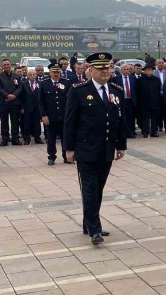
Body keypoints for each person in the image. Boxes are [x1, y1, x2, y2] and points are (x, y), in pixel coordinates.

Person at [64, 52, 127, 245]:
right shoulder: (78, 90)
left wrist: (121, 145)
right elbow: (70, 121)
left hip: (106, 149)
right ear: (90, 70)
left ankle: (88, 222)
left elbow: (120, 120)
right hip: (85, 149)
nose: (106, 71)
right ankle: (95, 229)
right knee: (90, 189)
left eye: (108, 67)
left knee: (98, 189)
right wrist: (68, 149)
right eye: (101, 68)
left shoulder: (116, 90)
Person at [38, 64, 71, 165]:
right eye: (54, 72)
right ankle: (51, 156)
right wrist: (43, 115)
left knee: (65, 137)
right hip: (50, 116)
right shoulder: (44, 84)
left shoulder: (66, 82)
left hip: (64, 115)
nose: (56, 74)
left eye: (58, 72)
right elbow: (41, 101)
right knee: (51, 138)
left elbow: (70, 100)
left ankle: (66, 156)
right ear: (50, 73)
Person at [0, 59, 23, 146]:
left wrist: (14, 95)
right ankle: (5, 139)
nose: (6, 66)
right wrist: (7, 96)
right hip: (3, 102)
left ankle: (15, 138)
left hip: (15, 102)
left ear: (11, 65)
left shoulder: (16, 76)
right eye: (4, 65)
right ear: (2, 66)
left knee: (15, 121)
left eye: (8, 64)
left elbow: (20, 87)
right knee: (4, 122)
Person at [112, 64, 137, 138]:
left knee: (130, 117)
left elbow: (135, 89)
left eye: (127, 69)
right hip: (122, 100)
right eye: (124, 69)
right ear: (121, 70)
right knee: (122, 117)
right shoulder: (117, 79)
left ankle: (129, 132)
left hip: (130, 100)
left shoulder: (133, 78)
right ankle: (122, 133)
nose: (126, 71)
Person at [137, 64, 161, 138]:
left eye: (150, 70)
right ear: (144, 71)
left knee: (154, 118)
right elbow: (137, 91)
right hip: (144, 102)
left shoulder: (156, 79)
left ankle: (153, 132)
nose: (149, 71)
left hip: (154, 102)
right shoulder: (140, 80)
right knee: (145, 119)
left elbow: (158, 90)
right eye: (147, 70)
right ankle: (145, 132)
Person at [20, 70, 43, 145]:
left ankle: (37, 138)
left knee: (37, 123)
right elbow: (21, 96)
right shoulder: (24, 84)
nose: (32, 76)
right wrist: (22, 107)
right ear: (27, 75)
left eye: (33, 74)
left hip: (37, 107)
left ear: (36, 75)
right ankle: (27, 138)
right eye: (30, 74)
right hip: (27, 107)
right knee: (26, 123)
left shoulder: (40, 83)